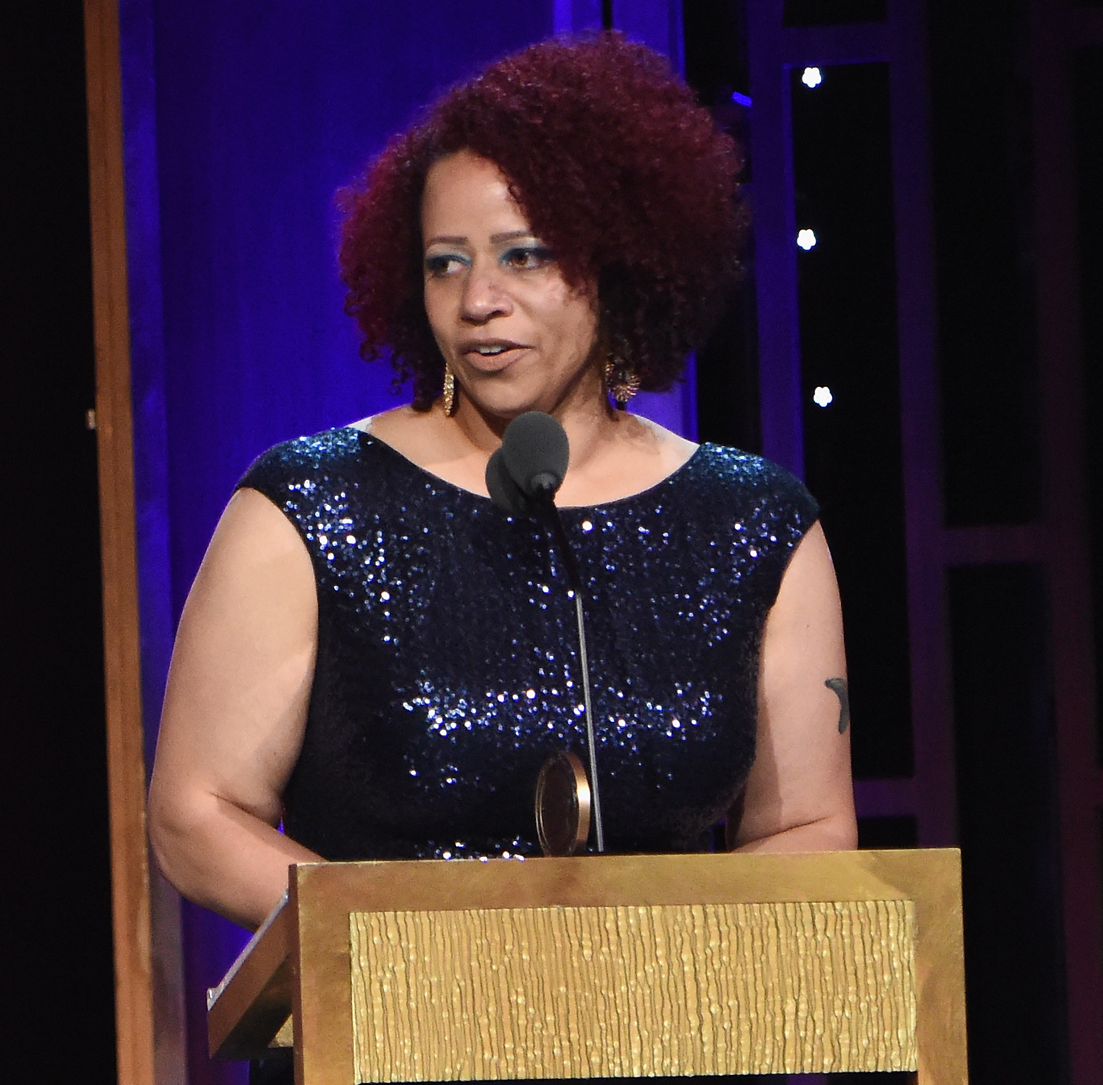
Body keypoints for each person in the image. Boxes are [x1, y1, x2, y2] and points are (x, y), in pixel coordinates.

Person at [148, 34, 855, 936]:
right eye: (447, 262)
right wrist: (419, 943)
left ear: (617, 260)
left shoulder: (754, 521)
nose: (478, 299)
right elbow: (195, 813)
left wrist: (642, 942)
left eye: (523, 255)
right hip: (391, 1041)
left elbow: (811, 828)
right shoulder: (311, 502)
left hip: (658, 1031)